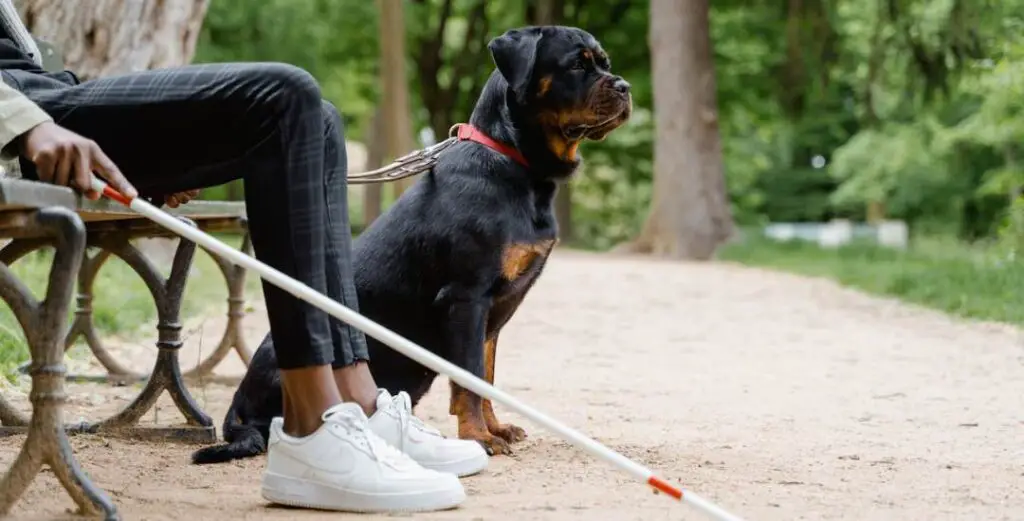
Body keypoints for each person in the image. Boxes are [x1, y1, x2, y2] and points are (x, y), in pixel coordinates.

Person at [0, 3, 486, 514]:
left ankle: (359, 402)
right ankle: (310, 427)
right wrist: (27, 127)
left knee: (319, 119)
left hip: (44, 96)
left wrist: (153, 145)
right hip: (20, 115)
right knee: (283, 95)